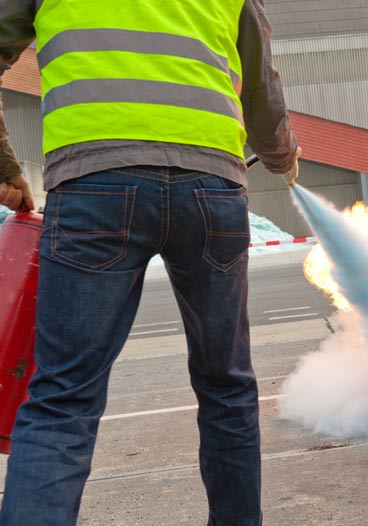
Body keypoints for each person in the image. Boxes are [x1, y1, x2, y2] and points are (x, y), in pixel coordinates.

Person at [0, 1, 300, 525]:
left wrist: (4, 164)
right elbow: (260, 87)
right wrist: (281, 155)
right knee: (227, 388)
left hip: (94, 182)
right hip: (211, 187)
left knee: (62, 402)